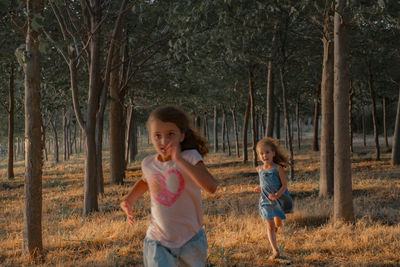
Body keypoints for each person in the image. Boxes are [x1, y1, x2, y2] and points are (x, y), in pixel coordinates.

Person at [120, 105, 217, 267]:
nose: (163, 141)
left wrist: (179, 160)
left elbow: (211, 186)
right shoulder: (148, 163)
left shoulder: (190, 157)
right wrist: (128, 201)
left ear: (181, 135)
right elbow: (145, 181)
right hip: (157, 241)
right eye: (157, 136)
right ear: (150, 137)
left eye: (170, 134)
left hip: (191, 240)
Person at [255, 138, 293, 260]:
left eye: (267, 152)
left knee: (277, 223)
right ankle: (275, 251)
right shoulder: (259, 169)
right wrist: (259, 188)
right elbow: (264, 184)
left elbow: (284, 185)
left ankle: (277, 223)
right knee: (270, 226)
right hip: (265, 201)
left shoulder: (278, 168)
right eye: (261, 153)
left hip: (278, 199)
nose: (264, 155)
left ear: (273, 154)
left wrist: (277, 195)